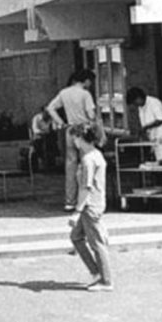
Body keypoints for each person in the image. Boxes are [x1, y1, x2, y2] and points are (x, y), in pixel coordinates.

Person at [46, 68, 104, 211]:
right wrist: (99, 131)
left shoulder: (64, 93)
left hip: (70, 130)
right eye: (90, 81)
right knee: (87, 164)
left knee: (70, 166)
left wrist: (60, 122)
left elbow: (50, 108)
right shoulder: (85, 94)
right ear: (86, 80)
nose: (90, 84)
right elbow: (91, 115)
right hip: (84, 131)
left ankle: (69, 201)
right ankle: (86, 199)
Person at [68, 123, 113, 291]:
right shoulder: (96, 155)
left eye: (75, 138)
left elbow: (85, 188)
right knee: (76, 237)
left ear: (80, 138)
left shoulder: (88, 160)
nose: (74, 141)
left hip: (89, 205)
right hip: (95, 202)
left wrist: (77, 211)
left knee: (97, 243)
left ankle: (106, 280)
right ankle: (96, 272)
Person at [30, 105, 57, 171]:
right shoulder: (36, 118)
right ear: (42, 112)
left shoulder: (51, 119)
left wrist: (53, 128)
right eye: (46, 112)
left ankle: (50, 161)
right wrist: (43, 133)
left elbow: (54, 128)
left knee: (52, 143)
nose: (48, 114)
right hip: (38, 137)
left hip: (48, 137)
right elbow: (35, 129)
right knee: (38, 143)